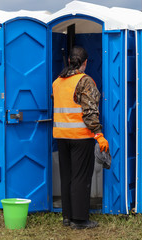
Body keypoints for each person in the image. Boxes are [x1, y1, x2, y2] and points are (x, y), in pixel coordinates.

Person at [52, 46, 109, 229]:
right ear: (84, 63)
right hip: (80, 136)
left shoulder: (57, 82)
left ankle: (67, 217)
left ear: (69, 61)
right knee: (80, 177)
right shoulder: (85, 81)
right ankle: (80, 219)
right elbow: (90, 112)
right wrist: (99, 135)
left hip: (61, 136)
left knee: (67, 176)